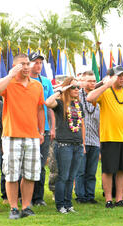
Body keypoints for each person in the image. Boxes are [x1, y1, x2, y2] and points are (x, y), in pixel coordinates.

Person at [0, 54, 45, 219]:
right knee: (12, 174)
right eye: (23, 64)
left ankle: (26, 207)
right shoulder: (9, 83)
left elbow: (40, 109)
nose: (27, 67)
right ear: (15, 66)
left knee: (30, 174)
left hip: (32, 136)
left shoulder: (37, 86)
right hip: (12, 135)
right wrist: (10, 75)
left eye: (28, 64)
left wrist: (41, 132)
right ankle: (14, 208)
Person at [87, 65, 123, 208]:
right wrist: (106, 84)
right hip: (109, 137)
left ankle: (119, 198)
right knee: (108, 170)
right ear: (111, 77)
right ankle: (109, 199)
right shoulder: (105, 92)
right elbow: (90, 97)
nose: (121, 78)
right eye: (118, 76)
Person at [45, 77, 85, 214]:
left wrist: (83, 144)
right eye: (73, 87)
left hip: (77, 145)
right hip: (63, 145)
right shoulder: (60, 103)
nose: (77, 90)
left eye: (78, 87)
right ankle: (60, 205)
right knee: (63, 176)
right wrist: (61, 90)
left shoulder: (78, 105)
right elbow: (48, 102)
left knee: (71, 176)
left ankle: (68, 204)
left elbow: (82, 126)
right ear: (68, 88)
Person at [28, 52, 56, 207]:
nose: (38, 65)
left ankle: (38, 198)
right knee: (27, 164)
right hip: (27, 129)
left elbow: (50, 106)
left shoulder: (46, 82)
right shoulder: (23, 81)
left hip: (44, 130)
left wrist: (52, 128)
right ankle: (25, 197)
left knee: (40, 164)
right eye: (35, 62)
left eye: (40, 63)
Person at [74, 71, 100, 204]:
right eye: (89, 81)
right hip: (81, 140)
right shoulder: (77, 96)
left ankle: (90, 195)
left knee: (91, 171)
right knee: (80, 171)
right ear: (82, 82)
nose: (92, 83)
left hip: (95, 140)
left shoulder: (99, 97)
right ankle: (80, 196)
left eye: (94, 81)